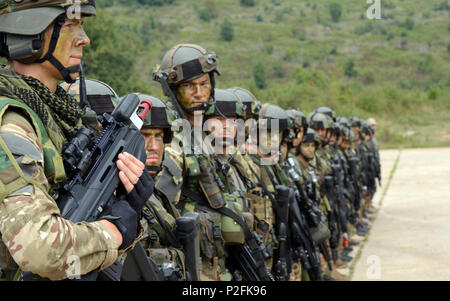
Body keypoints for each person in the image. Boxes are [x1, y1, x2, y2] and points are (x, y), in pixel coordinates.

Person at [0, 1, 151, 281]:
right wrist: (114, 230)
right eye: (69, 25)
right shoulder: (12, 124)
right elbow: (40, 249)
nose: (84, 39)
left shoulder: (61, 116)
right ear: (28, 36)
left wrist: (127, 208)